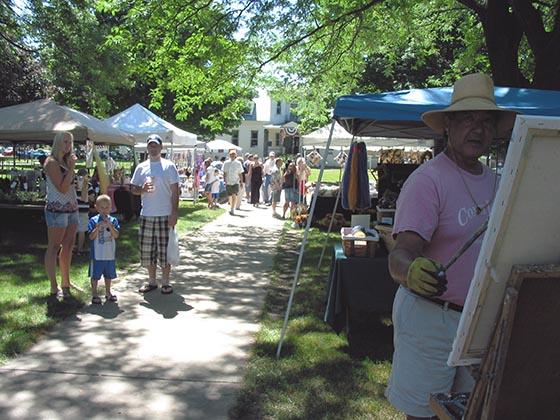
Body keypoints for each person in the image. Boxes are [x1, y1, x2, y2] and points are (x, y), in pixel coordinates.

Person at [385, 73, 517, 419]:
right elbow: (400, 253)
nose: (478, 128)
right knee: (424, 414)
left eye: (486, 120)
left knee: (473, 411)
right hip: (430, 319)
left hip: (477, 322)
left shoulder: (500, 183)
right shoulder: (428, 181)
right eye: (468, 118)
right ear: (448, 125)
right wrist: (410, 271)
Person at [130, 134, 180, 295]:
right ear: (147, 147)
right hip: (147, 214)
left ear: (161, 148)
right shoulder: (141, 167)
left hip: (165, 214)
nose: (153, 148)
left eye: (156, 145)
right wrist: (142, 189)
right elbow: (132, 188)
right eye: (150, 145)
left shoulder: (169, 166)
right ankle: (152, 281)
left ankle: (165, 282)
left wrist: (174, 213)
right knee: (147, 251)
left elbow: (175, 192)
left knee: (165, 251)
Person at [43, 131, 79, 299]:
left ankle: (66, 282)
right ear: (57, 143)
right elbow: (62, 188)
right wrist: (72, 168)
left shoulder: (66, 161)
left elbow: (71, 187)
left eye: (70, 142)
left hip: (71, 208)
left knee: (69, 245)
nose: (68, 146)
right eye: (65, 142)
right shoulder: (51, 162)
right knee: (54, 247)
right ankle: (53, 285)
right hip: (57, 210)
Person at [88, 194, 120, 304]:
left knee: (108, 275)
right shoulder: (93, 220)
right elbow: (91, 237)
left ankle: (108, 292)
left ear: (110, 207)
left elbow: (116, 235)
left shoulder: (114, 220)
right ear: (96, 207)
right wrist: (97, 228)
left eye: (107, 207)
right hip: (97, 254)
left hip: (109, 254)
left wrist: (110, 226)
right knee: (95, 275)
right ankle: (94, 293)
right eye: (102, 207)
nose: (104, 210)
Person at [75, 168, 92, 255]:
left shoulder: (74, 184)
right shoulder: (88, 185)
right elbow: (92, 198)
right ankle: (80, 249)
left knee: (72, 229)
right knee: (82, 230)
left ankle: (70, 248)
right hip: (84, 209)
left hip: (74, 209)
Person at [222, 149, 244, 215]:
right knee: (230, 196)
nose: (232, 156)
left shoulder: (238, 163)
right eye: (231, 155)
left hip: (235, 181)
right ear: (229, 155)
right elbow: (224, 172)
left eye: (234, 155)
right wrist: (224, 180)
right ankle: (231, 206)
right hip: (228, 181)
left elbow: (240, 173)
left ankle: (232, 208)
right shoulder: (226, 163)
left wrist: (241, 182)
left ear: (236, 156)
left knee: (234, 194)